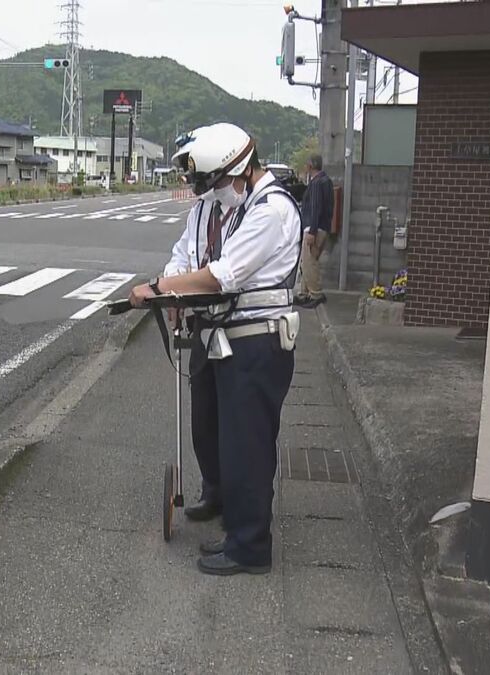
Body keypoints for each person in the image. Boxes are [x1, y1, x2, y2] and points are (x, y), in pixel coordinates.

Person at [127, 123, 302, 576]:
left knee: (248, 442)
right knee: (212, 428)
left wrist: (158, 288)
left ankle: (250, 546)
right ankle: (222, 500)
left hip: (257, 339)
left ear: (240, 169)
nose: (210, 191)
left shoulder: (272, 211)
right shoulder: (211, 206)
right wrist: (172, 293)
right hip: (218, 334)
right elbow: (186, 255)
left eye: (216, 182)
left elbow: (223, 276)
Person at [296, 154, 333, 308]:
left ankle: (316, 293)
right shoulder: (327, 181)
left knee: (309, 262)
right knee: (308, 261)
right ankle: (304, 293)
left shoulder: (317, 183)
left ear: (310, 166)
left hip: (314, 228)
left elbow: (316, 207)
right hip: (322, 227)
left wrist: (312, 231)